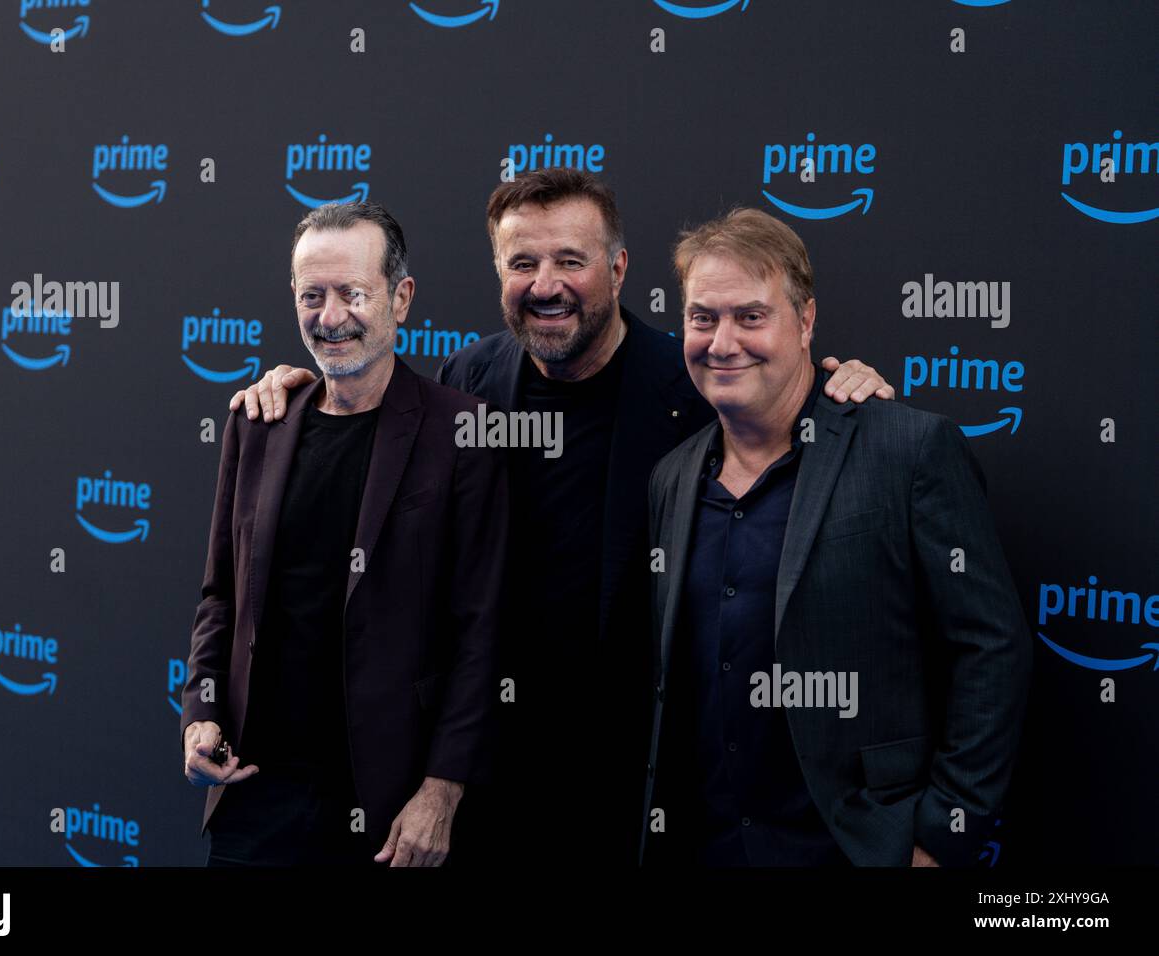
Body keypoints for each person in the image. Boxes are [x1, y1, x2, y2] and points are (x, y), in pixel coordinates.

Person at [228, 169, 893, 865]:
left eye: (570, 261)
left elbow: (782, 408)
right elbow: (367, 416)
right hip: (488, 779)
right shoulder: (468, 381)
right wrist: (296, 387)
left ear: (618, 269)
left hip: (643, 786)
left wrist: (842, 387)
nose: (546, 284)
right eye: (523, 263)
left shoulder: (694, 384)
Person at [643, 207, 1031, 866]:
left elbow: (991, 648)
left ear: (806, 321)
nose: (723, 340)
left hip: (856, 849)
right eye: (703, 317)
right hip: (706, 848)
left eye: (751, 316)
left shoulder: (906, 449)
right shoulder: (672, 478)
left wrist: (940, 836)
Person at [180, 201, 508, 866]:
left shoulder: (465, 431)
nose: (330, 318)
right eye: (312, 295)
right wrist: (201, 714)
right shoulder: (256, 423)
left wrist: (440, 795)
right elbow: (221, 596)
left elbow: (483, 632)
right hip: (253, 797)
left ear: (401, 297)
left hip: (390, 810)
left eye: (353, 293)